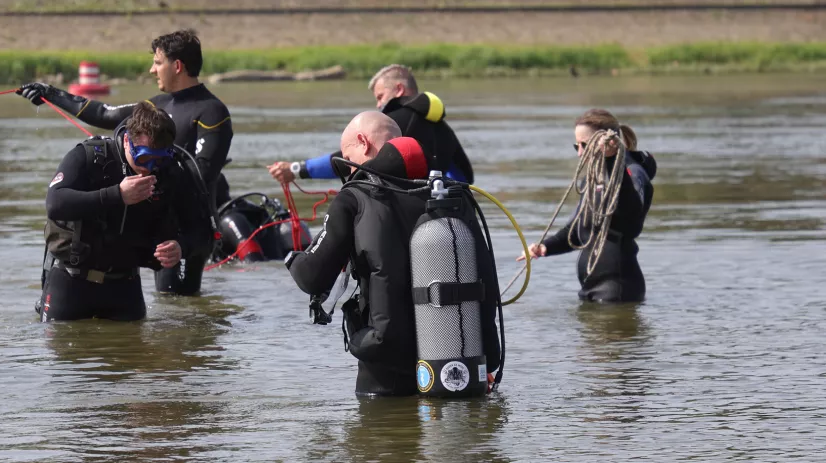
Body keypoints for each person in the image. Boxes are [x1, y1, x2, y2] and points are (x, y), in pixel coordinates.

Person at [285, 111, 501, 396]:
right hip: (460, 362)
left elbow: (312, 277)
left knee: (386, 422)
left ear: (363, 142)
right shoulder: (453, 195)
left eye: (348, 158)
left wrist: (291, 258)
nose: (349, 171)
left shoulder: (355, 196)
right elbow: (487, 278)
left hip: (386, 371)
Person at [18, 29, 231, 294]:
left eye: (157, 62)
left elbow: (204, 172)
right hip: (154, 215)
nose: (152, 70)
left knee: (180, 302)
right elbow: (104, 113)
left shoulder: (212, 111)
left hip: (188, 224)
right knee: (157, 296)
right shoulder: (156, 107)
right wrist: (52, 94)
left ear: (177, 66)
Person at [38, 102, 210, 321]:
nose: (150, 168)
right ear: (128, 141)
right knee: (60, 340)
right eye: (144, 158)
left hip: (125, 286)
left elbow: (204, 232)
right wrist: (117, 195)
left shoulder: (173, 172)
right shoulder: (90, 157)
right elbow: (55, 204)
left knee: (132, 343)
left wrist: (181, 247)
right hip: (71, 280)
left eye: (159, 160)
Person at [517, 108, 657, 303]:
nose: (580, 153)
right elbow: (577, 232)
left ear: (608, 142)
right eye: (577, 146)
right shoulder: (592, 179)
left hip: (617, 290)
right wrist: (545, 247)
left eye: (585, 145)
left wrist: (611, 160)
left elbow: (630, 218)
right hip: (589, 289)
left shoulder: (634, 173)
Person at [268, 64, 474, 185]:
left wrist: (297, 169)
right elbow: (465, 176)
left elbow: (352, 159)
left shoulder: (392, 123)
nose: (378, 105)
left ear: (399, 89)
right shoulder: (442, 127)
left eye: (380, 96)